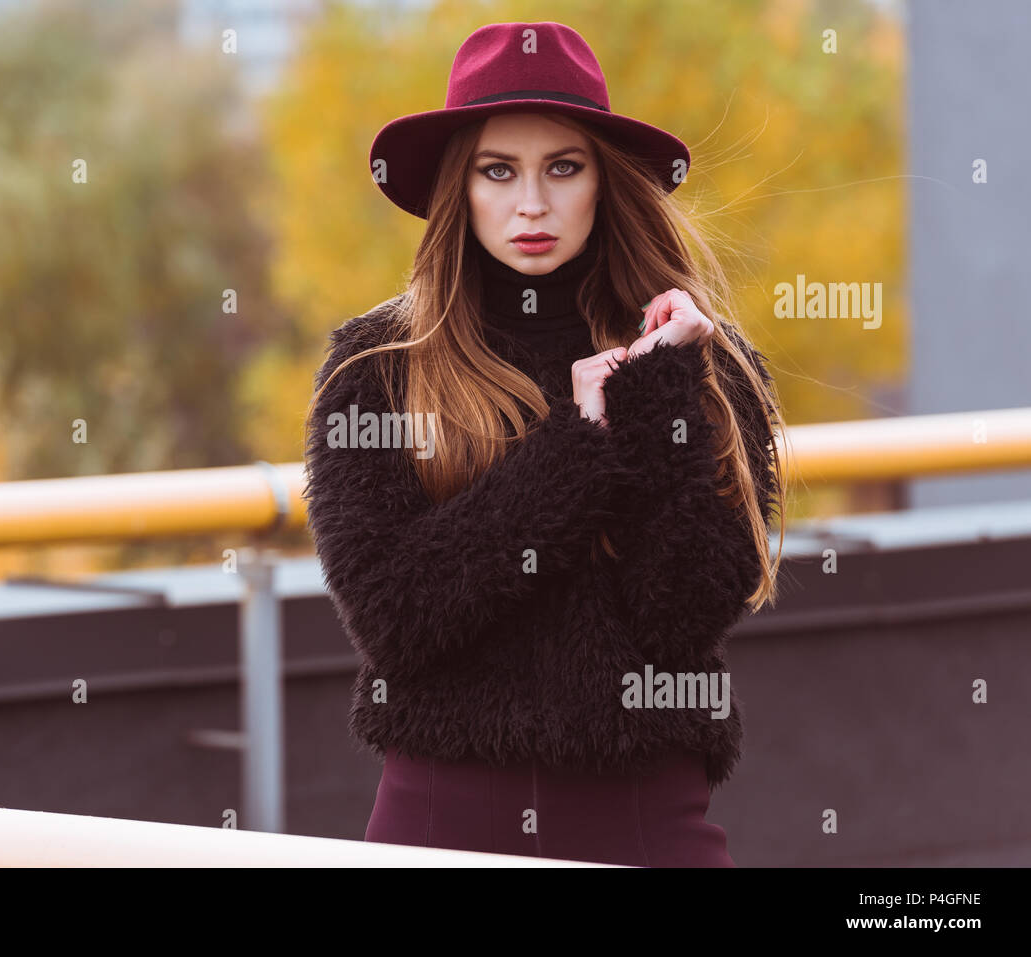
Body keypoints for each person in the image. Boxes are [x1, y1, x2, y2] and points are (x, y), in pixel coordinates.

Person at [303, 20, 787, 867]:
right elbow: (394, 615)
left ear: (604, 182)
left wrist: (655, 396)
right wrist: (578, 445)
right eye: (500, 170)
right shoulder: (377, 369)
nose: (532, 203)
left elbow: (683, 615)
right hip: (435, 827)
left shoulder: (703, 367)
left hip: (647, 824)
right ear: (462, 187)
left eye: (564, 167)